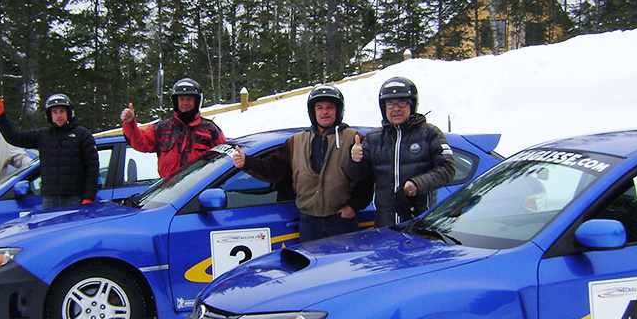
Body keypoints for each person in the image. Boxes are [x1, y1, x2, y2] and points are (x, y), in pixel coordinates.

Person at [232, 84, 372, 243]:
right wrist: (247, 162)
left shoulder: (354, 139)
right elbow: (273, 169)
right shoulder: (296, 141)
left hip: (341, 220)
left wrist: (353, 207)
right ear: (313, 112)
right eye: (319, 108)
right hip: (309, 222)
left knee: (341, 267)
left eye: (330, 107)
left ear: (338, 110)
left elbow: (367, 179)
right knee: (311, 267)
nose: (324, 112)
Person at [347, 76, 455, 227]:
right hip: (385, 224)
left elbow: (447, 169)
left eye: (402, 103)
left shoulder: (429, 133)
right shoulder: (374, 138)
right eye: (390, 104)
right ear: (384, 108)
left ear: (412, 105)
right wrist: (355, 160)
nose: (396, 109)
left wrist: (416, 184)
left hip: (420, 221)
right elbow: (358, 176)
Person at [0, 93, 99, 208]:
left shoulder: (82, 135)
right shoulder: (43, 135)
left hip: (75, 198)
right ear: (49, 115)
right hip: (49, 199)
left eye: (62, 111)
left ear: (69, 113)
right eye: (54, 112)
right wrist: (0, 117)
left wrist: (89, 197)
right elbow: (14, 138)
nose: (59, 116)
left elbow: (92, 168)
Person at [120, 78, 226, 178]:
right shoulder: (162, 128)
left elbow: (225, 158)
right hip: (170, 191)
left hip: (198, 190)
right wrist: (130, 124)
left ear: (196, 101)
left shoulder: (210, 129)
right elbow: (141, 143)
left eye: (189, 99)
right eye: (181, 99)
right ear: (176, 102)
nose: (185, 103)